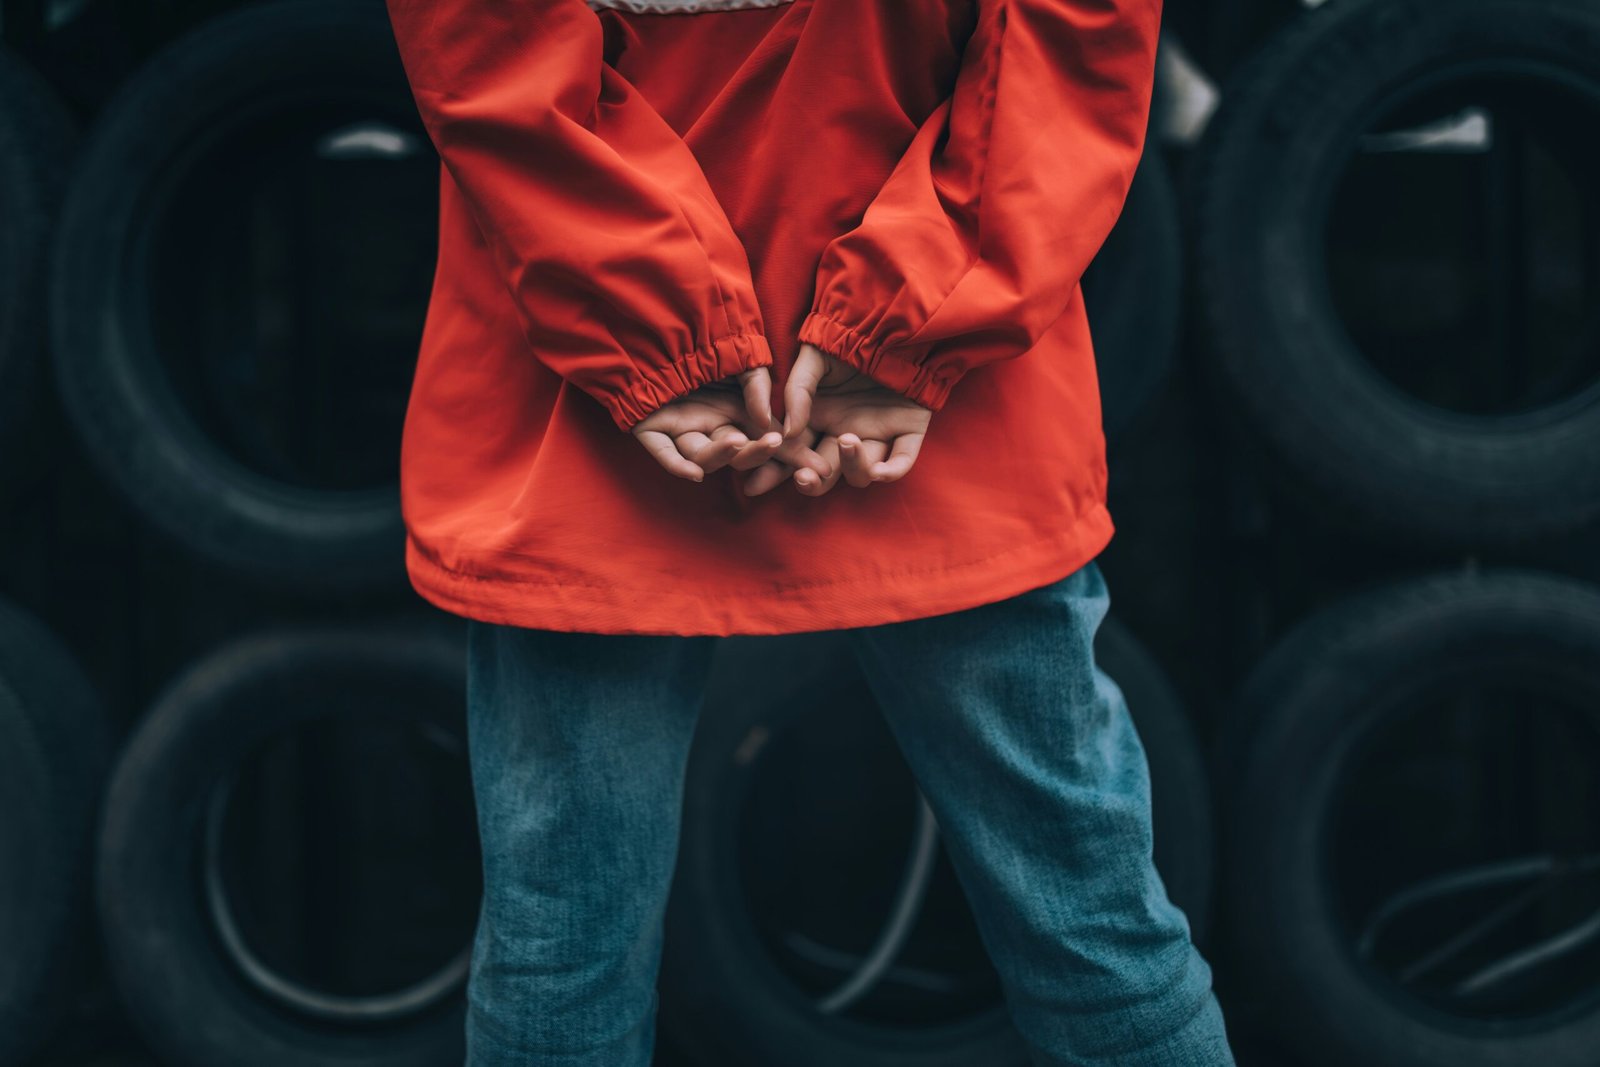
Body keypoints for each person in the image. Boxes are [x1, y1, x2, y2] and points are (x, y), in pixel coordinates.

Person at [384, 0, 1235, 1064]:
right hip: (931, 382)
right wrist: (913, 318)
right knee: (1091, 922)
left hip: (601, 377)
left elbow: (489, 44)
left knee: (563, 950)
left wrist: (655, 325)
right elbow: (1074, 36)